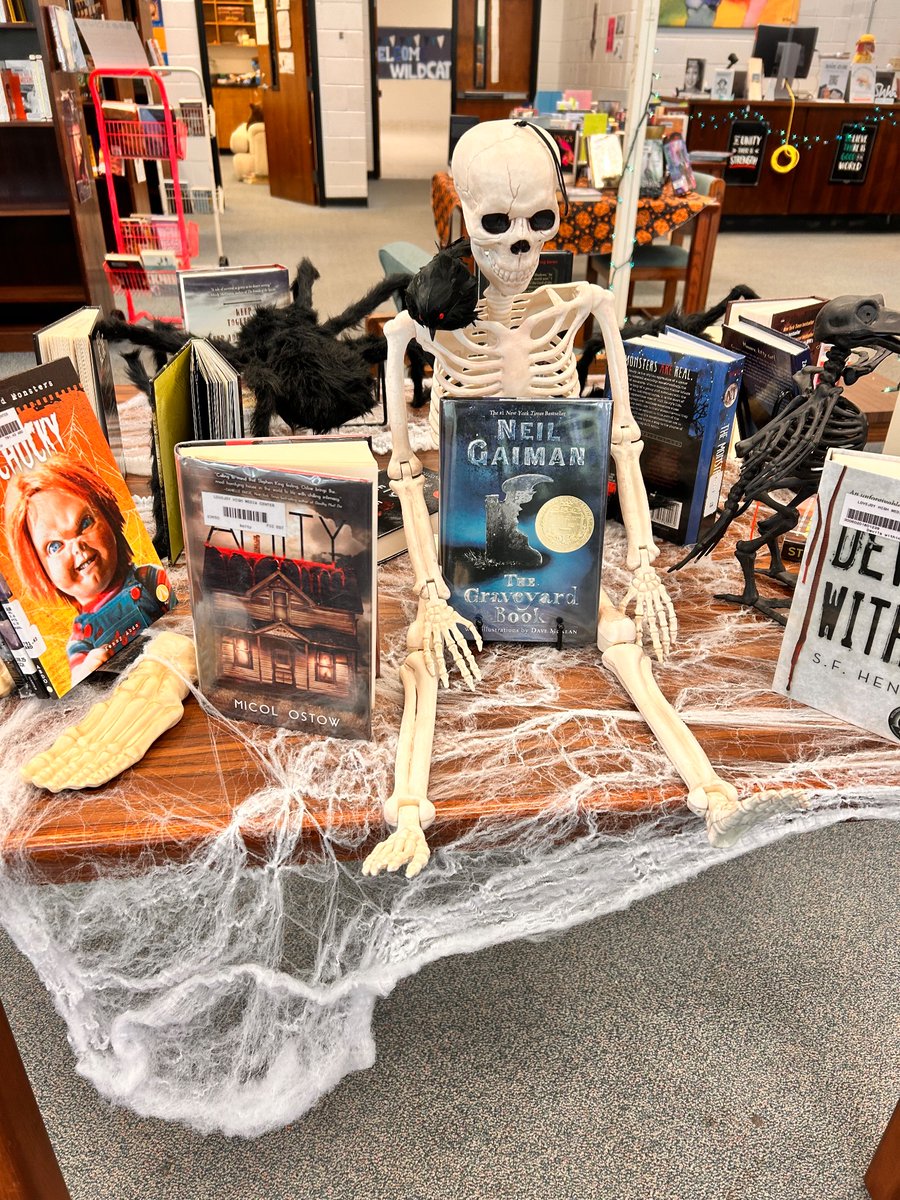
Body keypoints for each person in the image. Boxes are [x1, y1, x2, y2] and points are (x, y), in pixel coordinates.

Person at [4, 457, 173, 685]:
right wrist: (88, 669)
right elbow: (80, 677)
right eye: (55, 546)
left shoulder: (149, 578)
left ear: (109, 516)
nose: (78, 547)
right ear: (40, 572)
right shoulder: (81, 639)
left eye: (85, 523)